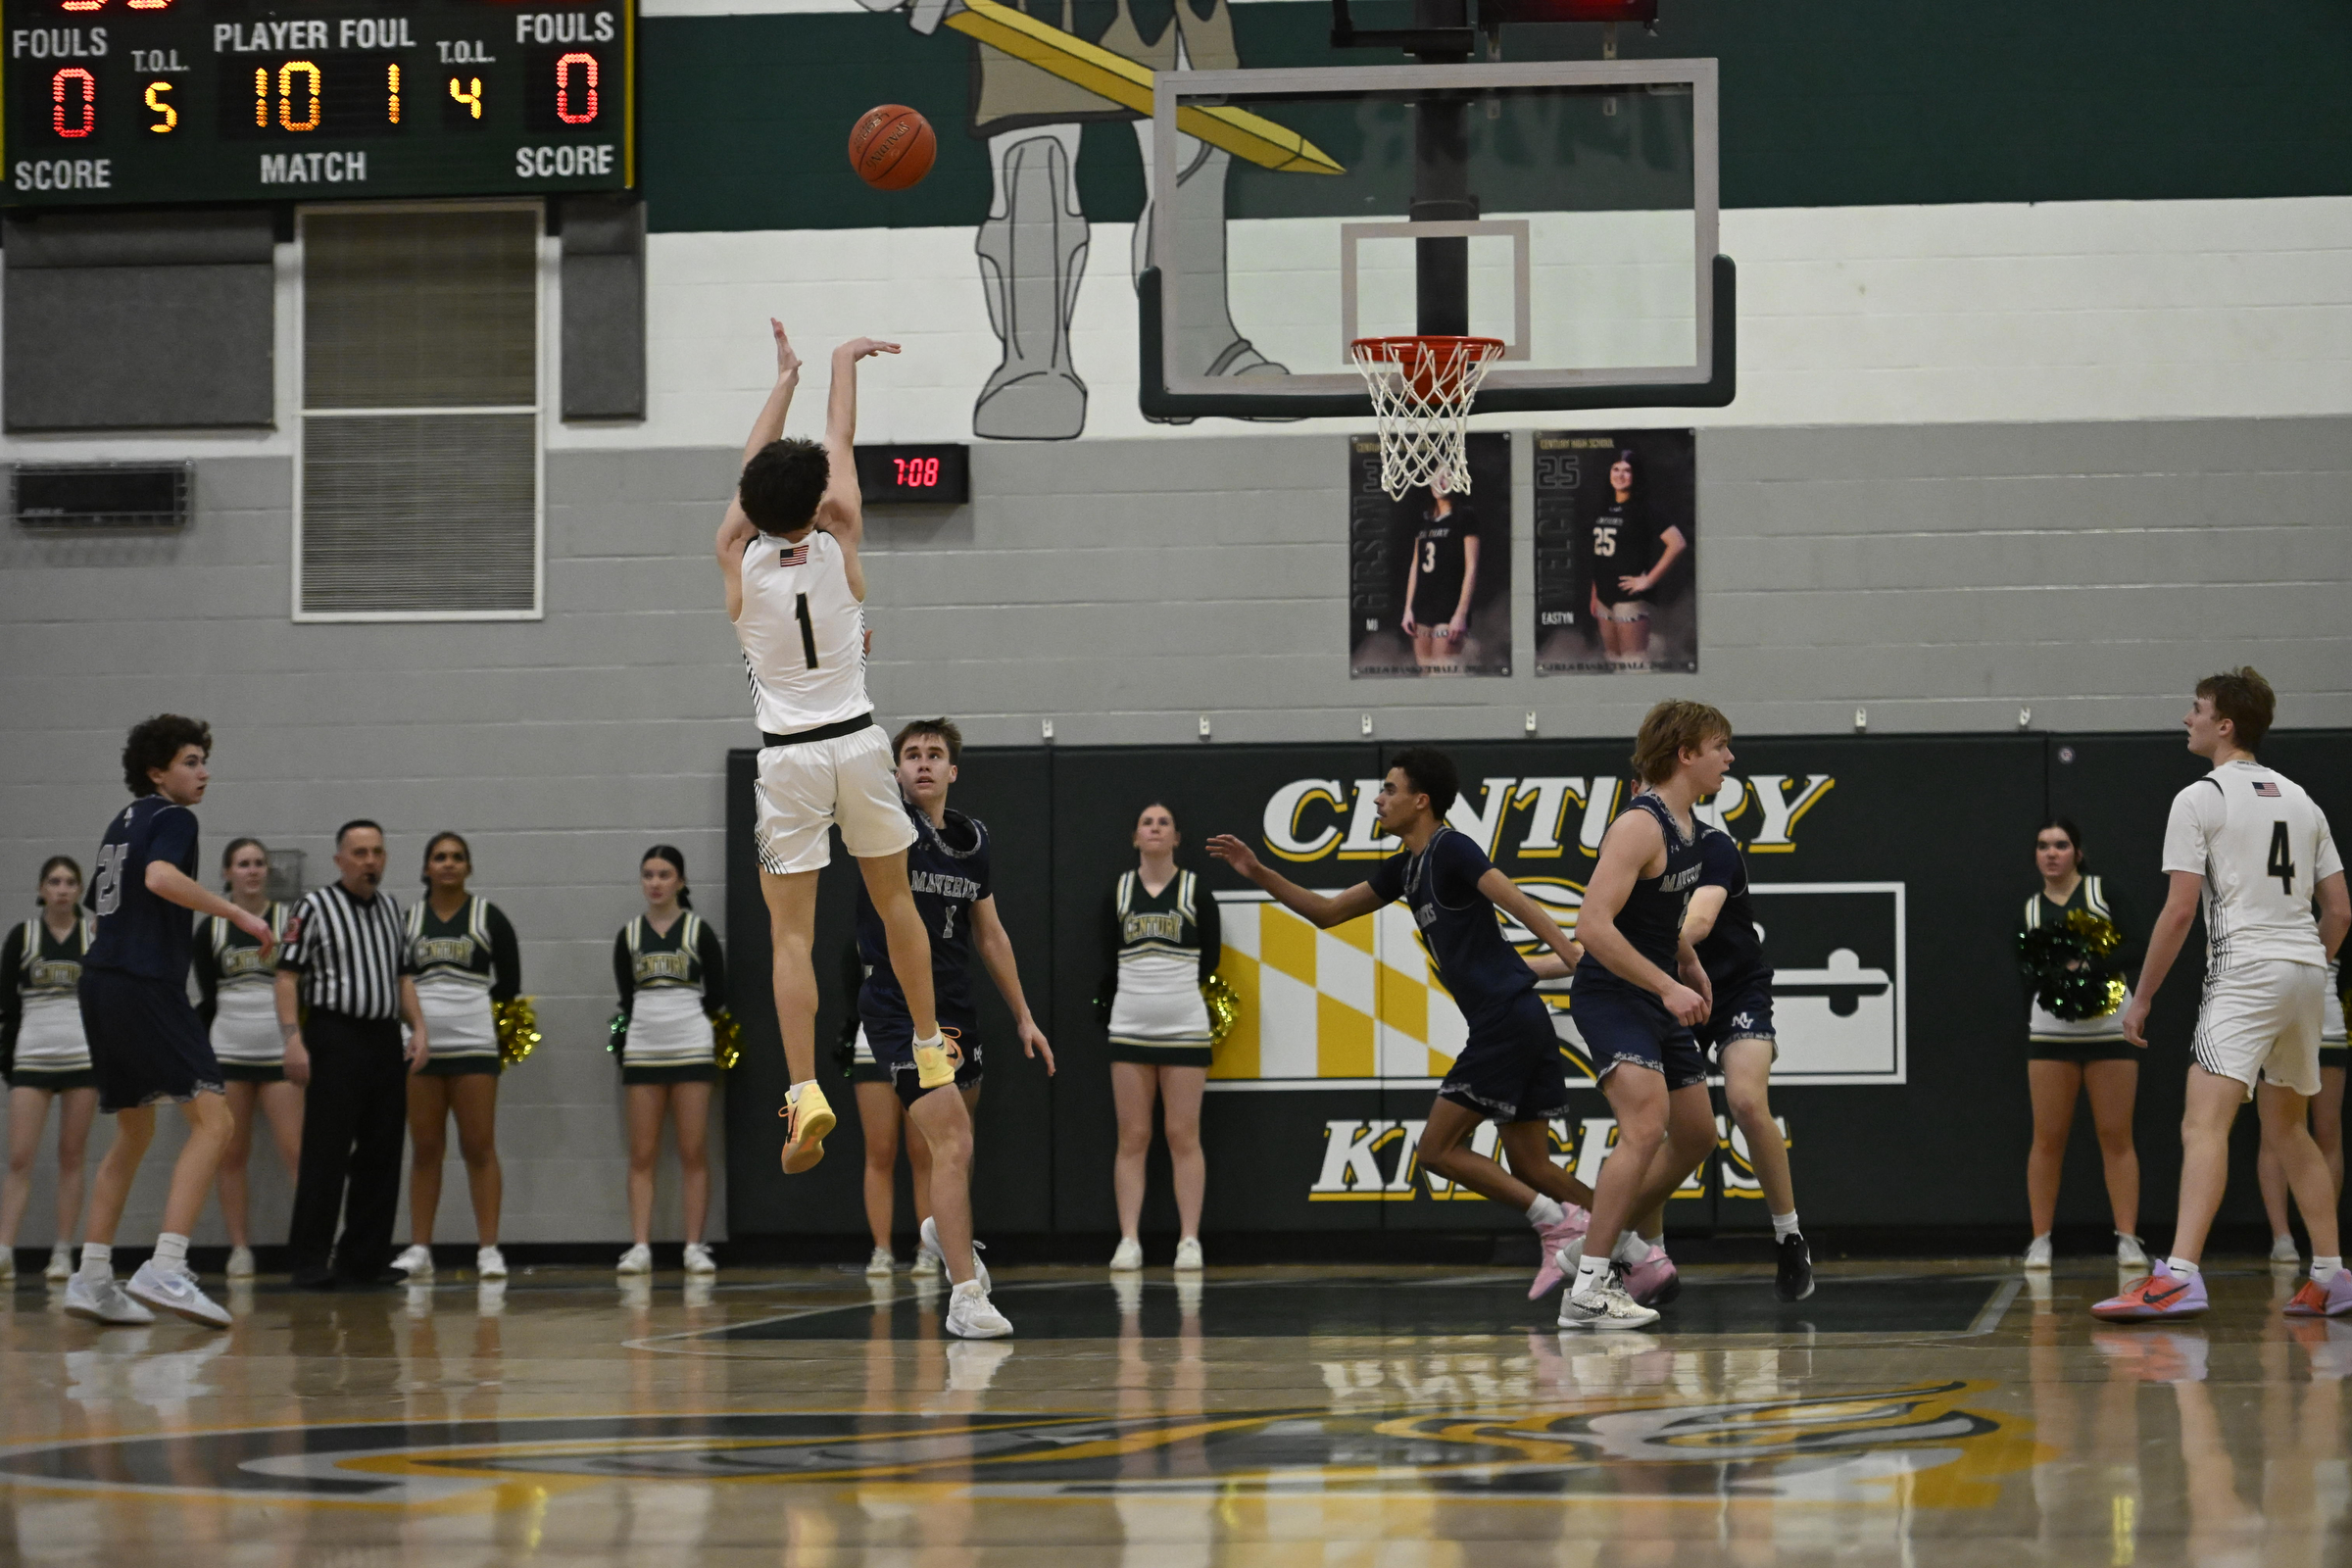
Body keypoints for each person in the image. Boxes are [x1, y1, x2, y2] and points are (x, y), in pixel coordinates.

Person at [1207, 747, 1596, 1310]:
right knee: (1531, 1165)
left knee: (1436, 1150)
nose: (1378, 798)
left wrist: (1572, 956)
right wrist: (1258, 871)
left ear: (1422, 800)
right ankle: (1633, 1251)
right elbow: (1327, 913)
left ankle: (1557, 1225)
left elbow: (1520, 904)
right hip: (1514, 1021)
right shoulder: (1405, 866)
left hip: (1506, 1021)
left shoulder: (1452, 848)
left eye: (1389, 789)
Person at [712, 319, 948, 1207]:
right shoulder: (844, 534)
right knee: (894, 902)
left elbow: (753, 471)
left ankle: (805, 1090)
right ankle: (929, 1040)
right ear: (817, 502)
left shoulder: (736, 561)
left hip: (788, 761)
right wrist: (843, 366)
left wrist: (783, 378)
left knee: (791, 936)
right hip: (857, 741)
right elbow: (837, 439)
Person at [2095, 668, 2351, 1322]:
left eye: (2197, 709)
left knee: (2203, 1122)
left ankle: (2179, 1274)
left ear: (2225, 724)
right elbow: (2341, 912)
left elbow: (2180, 911)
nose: (2188, 719)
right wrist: (2308, 966)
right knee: (2289, 1129)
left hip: (2246, 970)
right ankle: (2331, 1273)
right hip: (2306, 972)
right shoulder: (2303, 799)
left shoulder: (2199, 797)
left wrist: (2142, 996)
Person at [66, 714, 276, 1327]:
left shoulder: (121, 822)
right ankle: (166, 1264)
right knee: (215, 1118)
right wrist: (238, 914)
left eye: (204, 760)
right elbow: (159, 879)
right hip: (142, 984)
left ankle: (93, 1276)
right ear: (157, 771)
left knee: (134, 1133)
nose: (203, 771)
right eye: (190, 761)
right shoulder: (175, 818)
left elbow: (104, 916)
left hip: (99, 982)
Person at [851, 719, 1054, 1300]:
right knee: (951, 1143)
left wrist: (1023, 1014)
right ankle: (966, 1295)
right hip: (896, 1005)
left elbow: (989, 935)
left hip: (956, 1006)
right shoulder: (886, 822)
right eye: (911, 755)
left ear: (952, 771)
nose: (922, 763)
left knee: (957, 1146)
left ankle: (946, 1229)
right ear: (896, 771)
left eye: (934, 755)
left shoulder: (974, 839)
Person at [1548, 702, 1732, 1330]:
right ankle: (1590, 1287)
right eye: (1719, 747)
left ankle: (1589, 1245)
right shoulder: (1639, 825)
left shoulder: (1686, 825)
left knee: (1699, 1135)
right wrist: (1667, 986)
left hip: (1655, 993)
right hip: (1613, 995)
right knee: (1645, 1126)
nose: (1728, 758)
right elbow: (1591, 928)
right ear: (1685, 753)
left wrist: (1689, 965)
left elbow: (1657, 916)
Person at [276, 820, 430, 1291]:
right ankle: (309, 1260)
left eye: (377, 852)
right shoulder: (313, 908)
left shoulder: (390, 910)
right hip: (333, 1035)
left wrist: (419, 1027)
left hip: (383, 1038)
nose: (370, 861)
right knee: (327, 1150)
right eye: (360, 853)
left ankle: (364, 1258)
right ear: (340, 859)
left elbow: (403, 977)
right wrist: (292, 1038)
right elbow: (286, 977)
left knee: (382, 1151)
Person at [1685, 813, 1814, 1301]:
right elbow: (1593, 935)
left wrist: (1634, 942)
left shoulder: (1713, 846)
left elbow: (1698, 920)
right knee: (1652, 1123)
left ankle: (1789, 1236)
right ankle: (1649, 1255)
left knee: (1745, 1101)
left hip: (1736, 988)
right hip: (1671, 990)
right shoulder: (1626, 850)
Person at [2017, 818, 2147, 1270]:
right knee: (2047, 1140)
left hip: (2111, 1027)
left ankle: (2128, 1238)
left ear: (2078, 852)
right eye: (2043, 846)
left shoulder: (2101, 893)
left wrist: (2089, 963)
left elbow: (2138, 945)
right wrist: (2052, 971)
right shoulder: (2031, 910)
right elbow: (2025, 972)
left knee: (2116, 1136)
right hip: (2051, 1031)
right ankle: (2040, 1240)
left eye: (2061, 845)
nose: (2051, 853)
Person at [393, 833, 520, 1284]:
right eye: (439, 857)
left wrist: (470, 1013)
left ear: (468, 867)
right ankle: (420, 1248)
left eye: (457, 857)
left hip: (474, 1044)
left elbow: (508, 983)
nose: (448, 864)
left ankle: (488, 1249)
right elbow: (396, 982)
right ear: (426, 867)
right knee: (426, 1148)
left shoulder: (488, 917)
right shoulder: (407, 921)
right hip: (420, 1048)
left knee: (479, 1146)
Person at [1100, 804, 1222, 1272]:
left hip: (1186, 1028)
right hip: (1129, 1027)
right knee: (1133, 1135)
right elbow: (1106, 956)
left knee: (1181, 1134)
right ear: (1135, 837)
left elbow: (1209, 957)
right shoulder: (1120, 890)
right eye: (1146, 822)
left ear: (1176, 837)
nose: (1154, 828)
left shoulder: (1195, 890)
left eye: (1164, 822)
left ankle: (1189, 1240)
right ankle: (1129, 1239)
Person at [612, 846, 727, 1279]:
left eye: (664, 874)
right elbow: (626, 994)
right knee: (642, 1152)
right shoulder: (630, 935)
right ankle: (640, 1245)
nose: (655, 882)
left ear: (680, 880)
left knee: (693, 1150)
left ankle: (693, 1246)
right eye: (648, 875)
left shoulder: (699, 931)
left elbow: (717, 994)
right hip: (643, 1044)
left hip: (692, 1044)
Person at [191, 837, 297, 1280]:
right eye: (243, 864)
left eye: (258, 864)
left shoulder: (291, 922)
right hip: (228, 1052)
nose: (252, 871)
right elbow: (207, 999)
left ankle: (312, 1245)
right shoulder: (211, 929)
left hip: (279, 1051)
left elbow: (303, 985)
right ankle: (240, 1249)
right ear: (227, 873)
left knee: (297, 1152)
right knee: (231, 1154)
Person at [1, 857, 99, 1286]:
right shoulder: (23, 936)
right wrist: (9, 1059)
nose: (62, 889)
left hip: (81, 1059)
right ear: (41, 889)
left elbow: (106, 1000)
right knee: (20, 1158)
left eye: (70, 882)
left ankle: (63, 1252)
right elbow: (7, 1004)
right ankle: (4, 1250)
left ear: (79, 890)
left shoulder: (93, 935)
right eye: (54, 882)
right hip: (32, 1057)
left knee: (71, 1157)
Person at [2256, 949, 2349, 1264]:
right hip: (2280, 1011)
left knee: (2323, 1132)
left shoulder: (2334, 900)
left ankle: (2320, 1237)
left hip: (2322, 1016)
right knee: (2277, 1133)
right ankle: (2282, 1237)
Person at [1582, 450, 1686, 670]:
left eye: (1627, 471)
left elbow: (1677, 543)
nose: (1620, 475)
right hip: (1603, 596)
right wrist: (1594, 591)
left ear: (1635, 475)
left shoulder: (1644, 509)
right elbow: (1598, 554)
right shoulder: (1603, 506)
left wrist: (1648, 580)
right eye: (1616, 469)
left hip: (1628, 598)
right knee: (1613, 658)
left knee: (1634, 663)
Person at [1400, 471, 1479, 674]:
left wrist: (1460, 614)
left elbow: (1471, 568)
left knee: (1443, 676)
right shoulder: (1424, 520)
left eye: (1446, 476)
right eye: (1436, 477)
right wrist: (1409, 608)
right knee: (1425, 677)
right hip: (1422, 606)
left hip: (1449, 606)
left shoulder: (1464, 517)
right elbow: (1415, 567)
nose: (1440, 481)